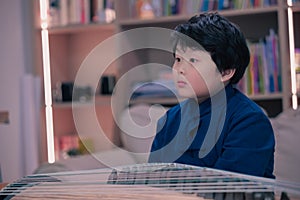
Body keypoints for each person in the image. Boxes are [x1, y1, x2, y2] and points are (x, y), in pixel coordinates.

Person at [148, 12, 275, 179]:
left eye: (193, 60)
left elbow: (229, 190)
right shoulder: (169, 120)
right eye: (178, 59)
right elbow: (152, 182)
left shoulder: (249, 121)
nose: (179, 69)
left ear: (226, 72)